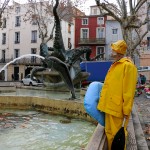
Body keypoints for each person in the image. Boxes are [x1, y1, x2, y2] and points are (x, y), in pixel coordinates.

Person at [97, 40, 137, 150]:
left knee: (117, 137)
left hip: (117, 109)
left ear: (118, 51)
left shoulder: (128, 67)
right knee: (109, 134)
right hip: (110, 106)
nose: (111, 52)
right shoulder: (116, 65)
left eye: (113, 49)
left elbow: (128, 91)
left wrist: (126, 110)